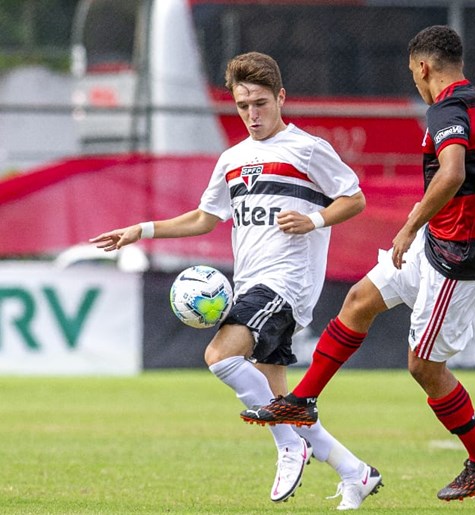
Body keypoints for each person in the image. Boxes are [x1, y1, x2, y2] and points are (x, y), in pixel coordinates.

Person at [90, 52, 382, 510]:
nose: (252, 114)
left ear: (281, 98)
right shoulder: (233, 158)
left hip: (286, 284)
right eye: (243, 105)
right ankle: (356, 472)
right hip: (249, 285)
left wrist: (315, 219)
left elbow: (355, 198)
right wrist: (142, 231)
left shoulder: (307, 149)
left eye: (261, 103)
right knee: (281, 399)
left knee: (220, 354)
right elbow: (206, 218)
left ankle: (289, 446)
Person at [241, 25, 475, 501]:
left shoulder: (447, 107)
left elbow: (451, 172)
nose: (414, 79)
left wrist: (414, 223)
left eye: (413, 72)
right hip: (443, 238)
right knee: (359, 300)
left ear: (424, 66)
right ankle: (301, 403)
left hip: (458, 256)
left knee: (424, 366)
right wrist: (452, 210)